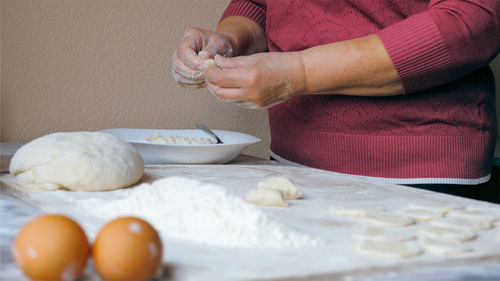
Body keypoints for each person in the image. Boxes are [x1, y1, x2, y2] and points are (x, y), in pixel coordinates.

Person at [172, 0, 500, 200]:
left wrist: (298, 72)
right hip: (292, 161)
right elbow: (260, 4)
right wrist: (230, 39)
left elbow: (472, 19)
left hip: (419, 164)